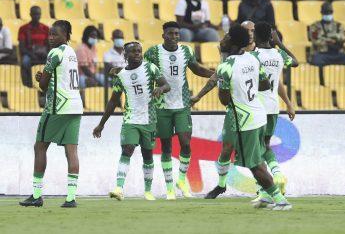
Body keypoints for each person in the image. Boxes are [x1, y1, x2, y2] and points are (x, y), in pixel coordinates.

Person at [205, 24, 292, 210]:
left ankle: (281, 200)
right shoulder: (253, 60)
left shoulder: (226, 67)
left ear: (234, 42)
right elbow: (264, 84)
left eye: (228, 37)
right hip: (259, 114)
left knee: (254, 164)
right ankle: (270, 197)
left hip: (244, 120)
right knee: (257, 159)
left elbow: (224, 100)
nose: (224, 39)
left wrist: (232, 89)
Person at [144, 21, 214, 200]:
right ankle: (169, 189)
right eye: (171, 34)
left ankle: (181, 180)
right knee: (166, 146)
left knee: (185, 143)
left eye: (177, 33)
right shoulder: (152, 52)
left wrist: (212, 74)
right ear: (163, 35)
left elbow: (196, 68)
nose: (175, 37)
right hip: (161, 106)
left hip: (182, 104)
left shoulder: (187, 50)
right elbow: (144, 73)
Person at [93, 42, 170, 201]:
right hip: (130, 119)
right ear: (125, 55)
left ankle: (148, 191)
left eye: (139, 51)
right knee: (127, 149)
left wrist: (160, 89)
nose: (137, 54)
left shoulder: (151, 68)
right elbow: (113, 101)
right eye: (133, 51)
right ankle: (119, 188)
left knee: (147, 155)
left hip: (149, 119)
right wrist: (101, 124)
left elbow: (166, 85)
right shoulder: (120, 76)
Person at [19, 20, 83, 208]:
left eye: (55, 34)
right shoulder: (71, 53)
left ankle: (37, 195)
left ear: (66, 35)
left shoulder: (54, 53)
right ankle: (71, 198)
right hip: (76, 106)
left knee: (39, 147)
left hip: (57, 107)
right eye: (50, 34)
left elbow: (44, 86)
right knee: (71, 151)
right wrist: (45, 78)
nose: (51, 38)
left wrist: (41, 79)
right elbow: (58, 77)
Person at [250, 21, 298, 204]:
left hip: (256, 108)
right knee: (265, 145)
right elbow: (295, 62)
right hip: (272, 107)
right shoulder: (279, 54)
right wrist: (279, 43)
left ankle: (266, 189)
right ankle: (274, 180)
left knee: (257, 149)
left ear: (255, 36)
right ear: (271, 36)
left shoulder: (253, 56)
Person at [309, 2, 345, 68]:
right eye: (325, 12)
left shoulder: (339, 25)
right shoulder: (315, 26)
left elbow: (344, 38)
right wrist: (334, 39)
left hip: (337, 53)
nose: (328, 14)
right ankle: (321, 78)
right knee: (316, 60)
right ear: (321, 13)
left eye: (329, 12)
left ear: (332, 12)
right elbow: (316, 40)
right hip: (322, 53)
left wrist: (326, 37)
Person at [18, 6, 49, 87]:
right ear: (30, 14)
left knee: (52, 62)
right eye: (34, 14)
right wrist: (31, 54)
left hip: (43, 54)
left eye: (38, 14)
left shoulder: (46, 28)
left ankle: (47, 85)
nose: (36, 16)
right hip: (29, 53)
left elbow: (50, 45)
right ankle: (27, 84)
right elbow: (22, 47)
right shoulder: (23, 28)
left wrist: (46, 53)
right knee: (25, 62)